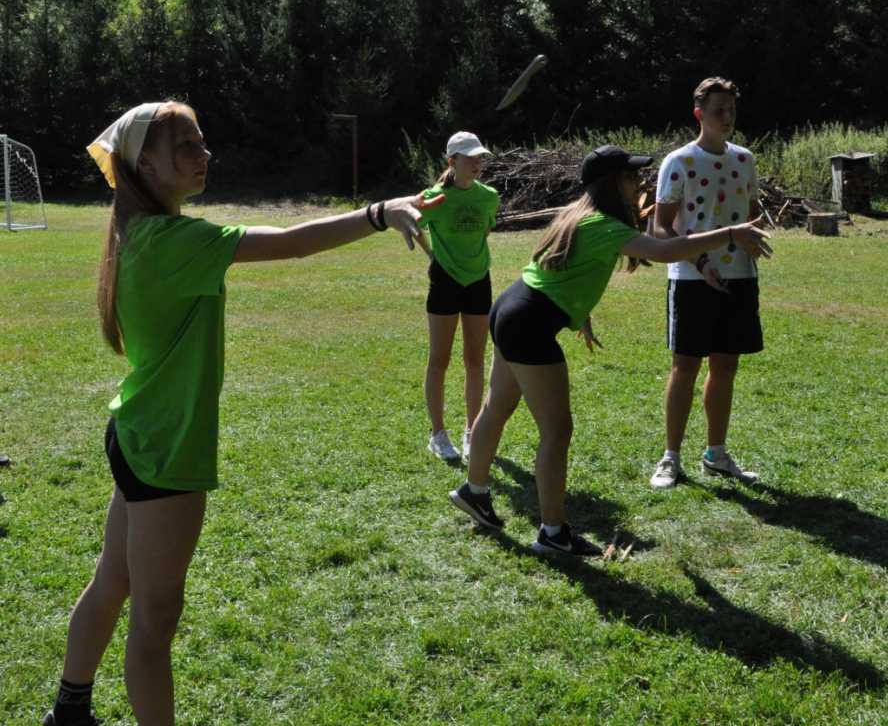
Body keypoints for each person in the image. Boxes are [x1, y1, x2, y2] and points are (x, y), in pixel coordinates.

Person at [44, 101, 441, 726]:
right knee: (154, 622)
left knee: (113, 583)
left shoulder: (141, 232)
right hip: (165, 447)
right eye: (186, 147)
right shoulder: (175, 241)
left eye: (202, 143)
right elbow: (289, 241)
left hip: (137, 430)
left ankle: (69, 709)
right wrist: (376, 213)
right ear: (143, 162)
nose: (203, 156)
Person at [448, 145, 771, 556]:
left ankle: (475, 491)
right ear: (612, 182)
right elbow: (665, 250)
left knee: (498, 406)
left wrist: (578, 313)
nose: (639, 182)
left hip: (512, 307)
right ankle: (553, 533)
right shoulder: (604, 225)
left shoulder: (578, 214)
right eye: (631, 176)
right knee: (556, 429)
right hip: (528, 323)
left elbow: (559, 265)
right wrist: (729, 233)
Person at [649, 77, 767, 490]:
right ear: (698, 113)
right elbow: (660, 229)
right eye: (718, 109)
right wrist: (699, 262)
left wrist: (755, 237)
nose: (727, 116)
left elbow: (751, 216)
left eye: (732, 109)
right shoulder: (678, 162)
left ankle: (716, 454)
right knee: (685, 366)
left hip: (739, 276)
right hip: (690, 278)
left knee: (726, 366)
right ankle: (671, 457)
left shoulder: (745, 160)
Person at [417, 132, 499, 461]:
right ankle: (438, 435)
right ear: (452, 161)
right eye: (470, 157)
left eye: (480, 157)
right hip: (445, 282)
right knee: (440, 359)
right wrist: (432, 255)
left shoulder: (489, 196)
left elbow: (485, 230)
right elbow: (412, 223)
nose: (477, 163)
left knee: (475, 360)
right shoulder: (434, 197)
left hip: (479, 281)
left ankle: (471, 431)